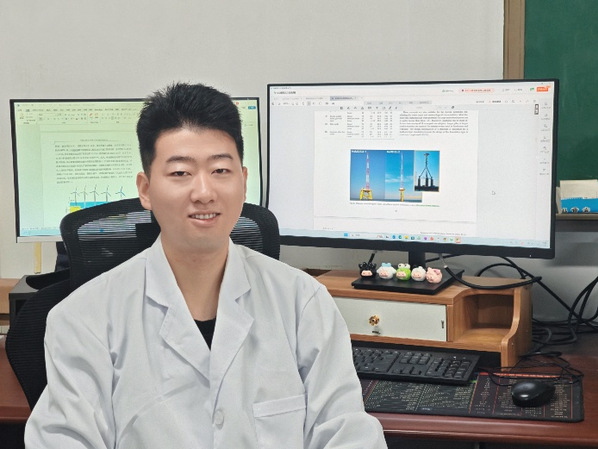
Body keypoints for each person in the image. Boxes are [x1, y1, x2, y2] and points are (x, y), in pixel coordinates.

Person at [25, 82, 387, 448]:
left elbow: (348, 432)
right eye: (180, 173)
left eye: (220, 170)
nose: (203, 192)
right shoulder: (84, 318)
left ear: (243, 182)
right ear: (146, 189)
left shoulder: (302, 302)